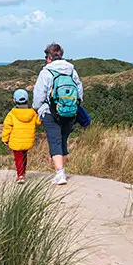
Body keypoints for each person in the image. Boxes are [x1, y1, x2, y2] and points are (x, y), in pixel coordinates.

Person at [32, 43, 83, 185]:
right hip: (70, 111)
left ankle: (60, 174)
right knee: (63, 140)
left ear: (49, 57)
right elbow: (79, 92)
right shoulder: (72, 71)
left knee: (54, 141)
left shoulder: (46, 72)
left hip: (50, 112)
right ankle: (61, 171)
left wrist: (37, 109)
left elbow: (38, 96)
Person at [1, 88, 41, 184]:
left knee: (18, 158)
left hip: (16, 141)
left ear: (14, 100)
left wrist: (5, 139)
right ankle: (23, 173)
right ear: (27, 100)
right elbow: (39, 122)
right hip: (28, 141)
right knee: (24, 156)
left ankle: (20, 175)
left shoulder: (11, 114)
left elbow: (7, 128)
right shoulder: (32, 113)